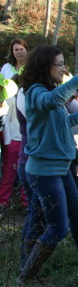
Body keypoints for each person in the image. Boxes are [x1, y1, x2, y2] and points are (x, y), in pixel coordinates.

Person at [18, 46, 78, 281]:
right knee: (56, 228)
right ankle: (27, 275)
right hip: (44, 171)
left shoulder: (49, 91)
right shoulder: (35, 92)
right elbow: (53, 100)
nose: (64, 69)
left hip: (59, 167)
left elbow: (62, 122)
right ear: (46, 65)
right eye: (60, 64)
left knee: (75, 210)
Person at [0, 75, 26, 212]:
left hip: (25, 140)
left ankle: (26, 200)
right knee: (8, 172)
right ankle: (3, 200)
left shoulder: (28, 98)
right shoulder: (10, 100)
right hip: (13, 141)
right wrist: (8, 142)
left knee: (25, 172)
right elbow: (7, 121)